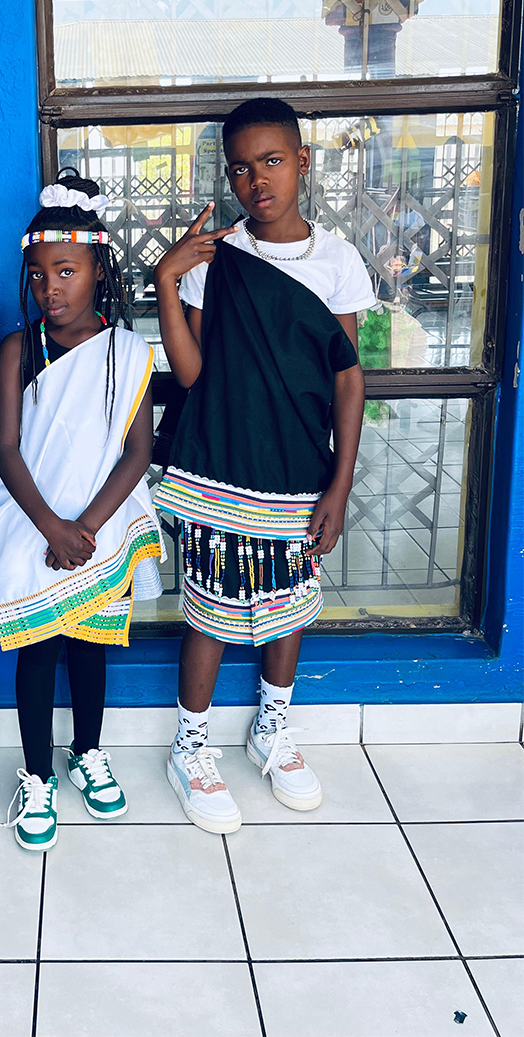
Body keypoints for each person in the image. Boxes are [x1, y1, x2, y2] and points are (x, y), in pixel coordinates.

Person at [153, 99, 373, 833]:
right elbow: (192, 375)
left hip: (299, 467)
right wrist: (168, 281)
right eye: (241, 168)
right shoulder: (215, 259)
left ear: (302, 161)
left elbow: (347, 377)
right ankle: (190, 745)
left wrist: (339, 482)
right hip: (221, 464)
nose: (257, 180)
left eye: (272, 161)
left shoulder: (337, 261)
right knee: (210, 609)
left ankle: (271, 728)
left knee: (288, 605)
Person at [0, 169, 163, 852]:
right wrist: (52, 527)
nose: (49, 288)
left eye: (65, 272)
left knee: (91, 648)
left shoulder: (129, 352)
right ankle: (37, 774)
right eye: (37, 275)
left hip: (98, 528)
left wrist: (83, 528)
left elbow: (139, 451)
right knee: (36, 652)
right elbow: (4, 448)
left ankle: (88, 752)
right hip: (30, 525)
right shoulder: (16, 349)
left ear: (99, 271)